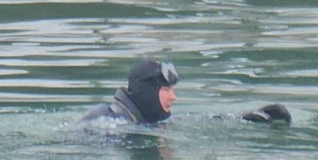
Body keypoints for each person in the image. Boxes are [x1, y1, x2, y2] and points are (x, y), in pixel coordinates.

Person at [79, 59, 291, 125]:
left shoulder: (145, 120)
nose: (174, 96)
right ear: (147, 91)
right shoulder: (106, 117)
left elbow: (194, 121)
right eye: (166, 89)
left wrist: (244, 118)